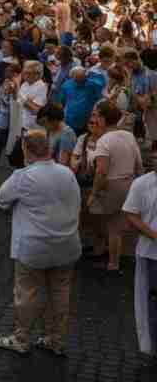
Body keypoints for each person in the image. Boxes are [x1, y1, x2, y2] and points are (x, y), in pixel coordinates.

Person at [0, 130, 82, 356]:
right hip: (67, 244)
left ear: (26, 150)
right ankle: (56, 339)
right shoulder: (67, 173)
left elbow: (1, 200)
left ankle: (21, 338)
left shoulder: (23, 176)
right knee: (61, 293)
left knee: (27, 293)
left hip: (34, 247)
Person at [88, 99, 144, 275]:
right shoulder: (128, 135)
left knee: (112, 227)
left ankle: (112, 263)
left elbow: (102, 171)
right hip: (130, 182)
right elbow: (139, 164)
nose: (95, 119)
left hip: (112, 185)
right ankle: (116, 259)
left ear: (104, 119)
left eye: (97, 115)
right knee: (119, 225)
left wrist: (94, 193)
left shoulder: (104, 141)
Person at [124, 165, 157, 357]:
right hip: (151, 254)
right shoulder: (142, 183)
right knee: (153, 302)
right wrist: (153, 235)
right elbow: (131, 215)